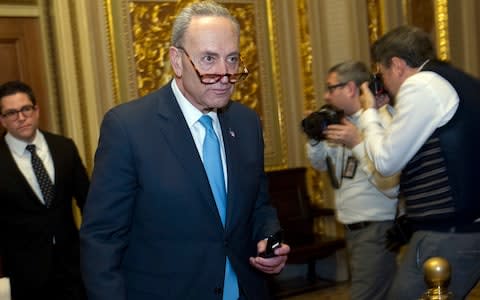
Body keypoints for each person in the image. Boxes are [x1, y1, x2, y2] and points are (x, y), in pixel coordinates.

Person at [79, 1, 290, 299]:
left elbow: (258, 204)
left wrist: (269, 241)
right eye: (208, 59)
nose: (225, 74)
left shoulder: (246, 123)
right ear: (176, 61)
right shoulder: (128, 128)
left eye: (232, 59)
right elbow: (102, 238)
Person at [358, 25, 480, 299]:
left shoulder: (420, 84)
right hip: (467, 226)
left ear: (398, 65)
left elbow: (386, 162)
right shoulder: (457, 80)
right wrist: (386, 110)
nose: (383, 82)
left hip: (448, 231)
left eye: (382, 73)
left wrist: (368, 114)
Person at [305, 61, 399, 300]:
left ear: (349, 88)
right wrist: (315, 138)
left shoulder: (383, 123)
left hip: (375, 229)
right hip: (353, 228)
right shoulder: (339, 121)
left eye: (330, 88)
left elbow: (390, 184)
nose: (325, 95)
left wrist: (357, 143)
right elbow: (318, 163)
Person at [0, 80, 89, 300]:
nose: (21, 118)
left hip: (73, 268)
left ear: (36, 110)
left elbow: (89, 202)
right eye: (12, 113)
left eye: (26, 109)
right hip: (26, 275)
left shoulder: (64, 148)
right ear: (2, 120)